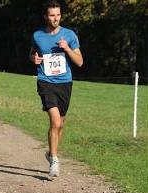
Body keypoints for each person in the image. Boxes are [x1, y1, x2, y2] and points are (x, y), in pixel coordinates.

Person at [30, 0, 83, 177]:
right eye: (52, 15)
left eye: (58, 15)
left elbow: (80, 62)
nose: (55, 18)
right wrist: (33, 59)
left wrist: (67, 48)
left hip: (65, 83)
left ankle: (50, 152)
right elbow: (32, 52)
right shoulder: (37, 35)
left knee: (60, 124)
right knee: (56, 121)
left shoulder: (69, 35)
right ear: (46, 16)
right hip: (45, 82)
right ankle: (54, 159)